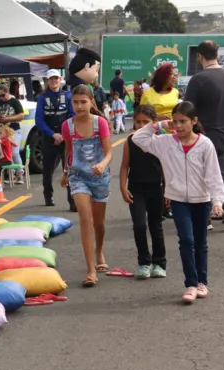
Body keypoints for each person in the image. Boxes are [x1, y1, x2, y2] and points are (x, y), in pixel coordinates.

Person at [132, 101, 224, 304]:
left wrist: (217, 201)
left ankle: (202, 282)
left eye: (183, 121)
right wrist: (157, 125)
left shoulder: (205, 145)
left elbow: (214, 176)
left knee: (201, 242)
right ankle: (190, 284)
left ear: (194, 121)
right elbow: (138, 139)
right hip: (178, 200)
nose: (179, 126)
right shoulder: (165, 142)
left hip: (202, 200)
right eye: (175, 121)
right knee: (186, 240)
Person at [184, 40, 224, 232]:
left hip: (206, 136)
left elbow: (187, 109)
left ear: (200, 56)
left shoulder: (199, 79)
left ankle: (206, 218)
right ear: (217, 54)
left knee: (202, 176)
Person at [60, 84, 113, 288]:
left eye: (84, 102)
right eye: (75, 102)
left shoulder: (101, 123)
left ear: (92, 102)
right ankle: (91, 270)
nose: (80, 106)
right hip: (78, 176)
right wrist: (66, 172)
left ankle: (99, 251)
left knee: (98, 223)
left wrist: (102, 164)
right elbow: (68, 150)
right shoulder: (67, 126)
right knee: (85, 219)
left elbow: (108, 151)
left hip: (100, 177)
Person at [119, 104, 166, 279]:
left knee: (156, 226)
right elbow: (124, 166)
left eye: (145, 122)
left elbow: (164, 167)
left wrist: (168, 190)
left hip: (156, 188)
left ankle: (159, 262)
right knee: (139, 225)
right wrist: (123, 187)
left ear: (153, 123)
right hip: (136, 189)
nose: (140, 125)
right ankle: (143, 263)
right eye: (137, 122)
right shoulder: (130, 141)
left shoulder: (160, 140)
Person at [35, 69, 76, 210]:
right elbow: (39, 120)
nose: (53, 81)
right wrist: (53, 134)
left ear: (60, 80)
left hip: (66, 138)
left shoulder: (68, 96)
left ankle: (72, 201)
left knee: (69, 168)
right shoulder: (41, 98)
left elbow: (72, 115)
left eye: (56, 78)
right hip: (49, 138)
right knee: (47, 169)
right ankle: (48, 196)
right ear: (47, 81)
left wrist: (64, 134)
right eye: (51, 79)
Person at [0, 84, 25, 183]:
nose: (1, 98)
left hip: (14, 130)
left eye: (2, 95)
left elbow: (21, 115)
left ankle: (20, 174)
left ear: (7, 93)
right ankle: (11, 175)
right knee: (5, 154)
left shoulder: (14, 101)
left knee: (15, 153)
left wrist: (8, 118)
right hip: (3, 132)